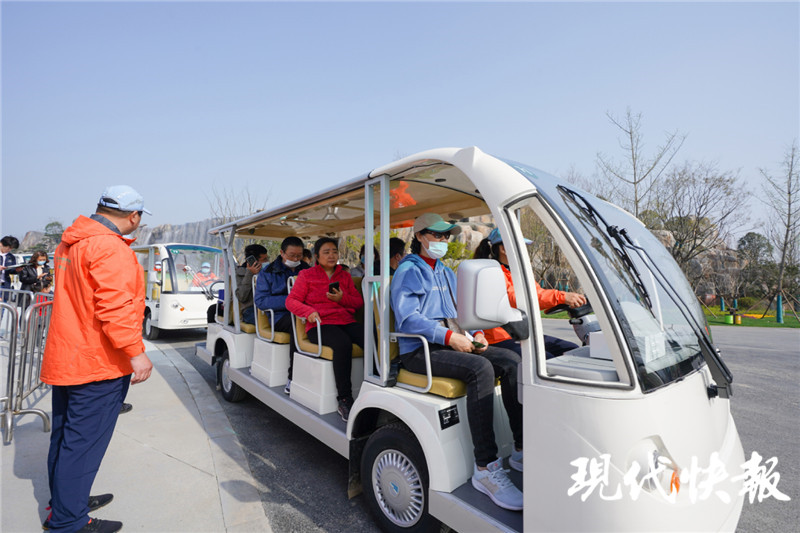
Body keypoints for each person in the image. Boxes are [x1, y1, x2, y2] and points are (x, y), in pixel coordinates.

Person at [391, 213, 524, 512]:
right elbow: (408, 318)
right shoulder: (408, 271)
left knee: (511, 361)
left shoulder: (446, 272)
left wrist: (476, 333)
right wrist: (449, 336)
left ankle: (519, 448)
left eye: (445, 236)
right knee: (481, 368)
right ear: (420, 236)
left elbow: (462, 312)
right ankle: (485, 468)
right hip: (421, 350)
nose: (442, 240)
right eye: (437, 235)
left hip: (452, 341)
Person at [40, 185, 154, 533]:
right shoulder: (110, 248)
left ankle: (65, 503)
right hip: (97, 362)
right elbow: (116, 309)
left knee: (65, 439)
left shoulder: (70, 242)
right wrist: (136, 354)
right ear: (133, 216)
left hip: (69, 356)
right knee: (83, 446)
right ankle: (69, 522)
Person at [474, 228, 586, 358]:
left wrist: (565, 300)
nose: (525, 251)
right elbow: (514, 299)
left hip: (520, 333)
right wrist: (561, 297)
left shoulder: (517, 272)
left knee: (572, 350)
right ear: (503, 248)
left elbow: (537, 293)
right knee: (547, 359)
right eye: (521, 246)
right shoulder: (492, 272)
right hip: (500, 337)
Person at [286, 237, 364, 421]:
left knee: (370, 337)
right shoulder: (306, 275)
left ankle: (373, 386)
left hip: (345, 320)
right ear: (317, 256)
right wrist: (308, 311)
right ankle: (344, 398)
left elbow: (358, 302)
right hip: (320, 324)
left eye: (334, 252)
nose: (331, 256)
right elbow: (291, 301)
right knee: (342, 344)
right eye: (326, 252)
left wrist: (342, 299)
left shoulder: (344, 276)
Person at [254, 236, 310, 394]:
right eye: (292, 255)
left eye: (299, 255)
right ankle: (293, 377)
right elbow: (261, 301)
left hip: (304, 312)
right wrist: (291, 301)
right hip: (280, 316)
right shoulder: (268, 272)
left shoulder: (307, 269)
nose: (296, 259)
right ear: (282, 253)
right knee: (297, 325)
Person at [234, 244, 268, 325]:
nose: (267, 261)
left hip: (267, 306)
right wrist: (250, 274)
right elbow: (241, 297)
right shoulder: (240, 273)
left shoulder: (267, 272)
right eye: (264, 259)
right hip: (250, 309)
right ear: (253, 261)